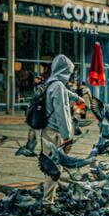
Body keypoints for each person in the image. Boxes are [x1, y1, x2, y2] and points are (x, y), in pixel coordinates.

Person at [40, 54, 76, 205]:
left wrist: (76, 97)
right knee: (54, 168)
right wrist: (67, 135)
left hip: (46, 130)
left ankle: (50, 197)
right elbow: (61, 111)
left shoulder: (51, 82)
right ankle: (48, 202)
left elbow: (65, 94)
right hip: (54, 133)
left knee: (52, 166)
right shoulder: (58, 86)